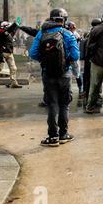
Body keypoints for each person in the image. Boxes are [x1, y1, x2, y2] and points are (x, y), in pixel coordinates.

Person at [30, 9, 79, 147]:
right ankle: (63, 135)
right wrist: (66, 61)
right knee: (64, 105)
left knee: (52, 105)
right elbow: (75, 56)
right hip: (65, 74)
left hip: (48, 74)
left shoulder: (42, 33)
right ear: (63, 20)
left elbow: (33, 53)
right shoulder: (68, 34)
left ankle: (52, 137)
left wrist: (45, 60)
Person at [67, 21, 84, 98]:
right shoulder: (69, 33)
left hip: (74, 56)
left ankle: (81, 90)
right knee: (69, 74)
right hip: (69, 56)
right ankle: (69, 91)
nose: (73, 28)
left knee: (77, 74)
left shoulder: (75, 35)